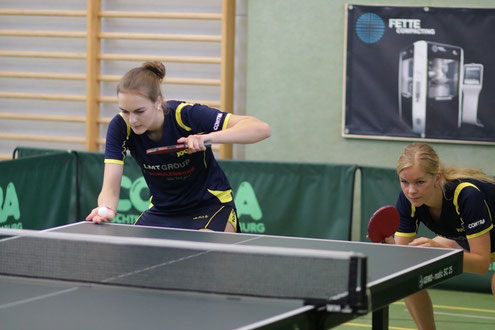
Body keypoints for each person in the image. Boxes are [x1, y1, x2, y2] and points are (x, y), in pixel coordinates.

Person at [86, 61, 271, 232]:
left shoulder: (185, 115)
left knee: (203, 254)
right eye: (124, 111)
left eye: (139, 111)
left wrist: (208, 138)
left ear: (158, 102)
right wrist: (106, 208)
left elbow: (260, 129)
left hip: (210, 205)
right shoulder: (120, 127)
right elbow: (110, 188)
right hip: (162, 211)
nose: (132, 119)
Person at [392, 143, 495, 329]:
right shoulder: (407, 200)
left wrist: (441, 250)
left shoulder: (467, 195)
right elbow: (402, 254)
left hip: (483, 247)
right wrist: (388, 244)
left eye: (420, 182)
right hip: (469, 239)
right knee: (405, 274)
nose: (411, 191)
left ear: (437, 177)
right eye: (404, 182)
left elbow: (481, 264)